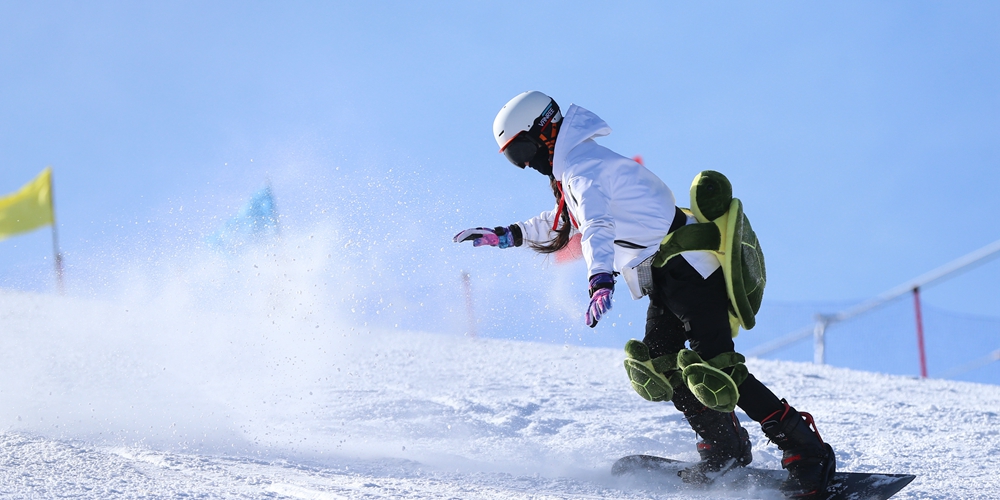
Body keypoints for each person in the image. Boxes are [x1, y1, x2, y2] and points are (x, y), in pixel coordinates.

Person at [453, 91, 836, 498]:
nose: (526, 163)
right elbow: (566, 219)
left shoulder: (583, 169)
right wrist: (508, 235)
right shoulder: (578, 170)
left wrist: (600, 279)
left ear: (544, 131)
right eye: (515, 158)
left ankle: (806, 449)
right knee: (659, 362)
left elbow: (596, 226)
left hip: (688, 267)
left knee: (719, 367)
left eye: (523, 150)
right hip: (662, 273)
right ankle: (724, 445)